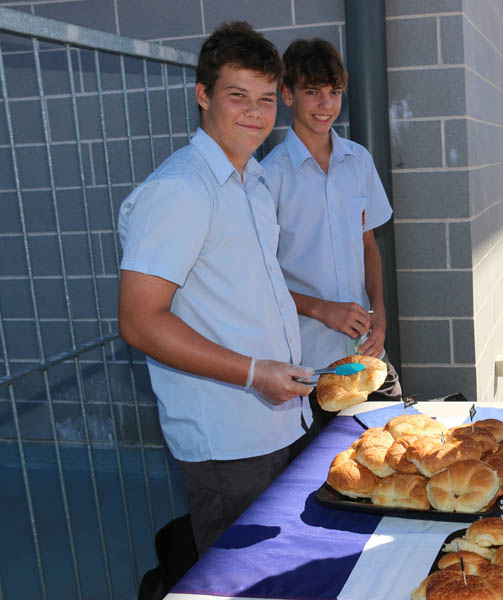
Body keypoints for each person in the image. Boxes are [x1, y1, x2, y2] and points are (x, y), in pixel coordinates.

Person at [117, 22, 314, 554]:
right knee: (243, 579)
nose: (255, 112)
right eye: (237, 96)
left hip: (275, 424)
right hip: (228, 441)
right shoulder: (181, 189)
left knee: (282, 573)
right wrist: (253, 373)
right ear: (203, 96)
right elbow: (139, 321)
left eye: (266, 99)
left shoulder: (251, 182)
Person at [262, 38, 401, 434]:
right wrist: (322, 309)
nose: (326, 104)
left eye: (334, 92)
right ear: (287, 94)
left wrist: (380, 314)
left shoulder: (358, 161)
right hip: (308, 369)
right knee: (326, 468)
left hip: (367, 358)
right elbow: (260, 280)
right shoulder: (268, 177)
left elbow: (368, 245)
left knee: (393, 448)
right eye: (312, 92)